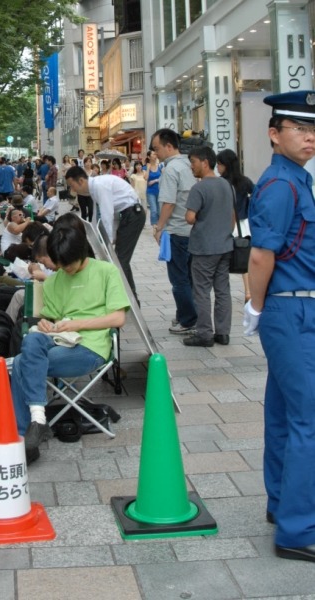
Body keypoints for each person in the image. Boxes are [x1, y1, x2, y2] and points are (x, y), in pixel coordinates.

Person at [244, 90, 315, 562]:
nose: (310, 138)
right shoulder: (281, 185)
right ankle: (298, 530)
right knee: (309, 419)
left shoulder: (296, 179)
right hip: (292, 310)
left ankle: (281, 505)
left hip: (296, 308)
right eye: (300, 129)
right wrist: (254, 308)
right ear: (274, 133)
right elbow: (260, 254)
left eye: (313, 130)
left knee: (285, 414)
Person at [10, 224, 130, 452]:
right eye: (60, 263)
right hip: (58, 339)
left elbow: (118, 318)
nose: (64, 269)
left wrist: (78, 324)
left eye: (68, 263)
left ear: (81, 252)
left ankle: (24, 433)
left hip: (89, 347)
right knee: (32, 340)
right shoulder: (55, 280)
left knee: (19, 362)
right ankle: (37, 421)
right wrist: (45, 323)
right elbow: (49, 318)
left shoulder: (106, 272)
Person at [66, 165, 145, 304]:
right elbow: (100, 216)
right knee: (120, 259)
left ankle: (131, 300)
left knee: (120, 260)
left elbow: (107, 214)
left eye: (73, 186)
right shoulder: (95, 187)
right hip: (126, 215)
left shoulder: (100, 186)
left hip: (133, 215)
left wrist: (106, 241)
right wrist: (102, 237)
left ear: (81, 181)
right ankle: (128, 297)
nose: (73, 190)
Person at [183, 146, 234, 347]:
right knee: (222, 290)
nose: (191, 167)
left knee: (202, 290)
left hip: (204, 247)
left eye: (193, 162)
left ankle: (204, 334)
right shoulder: (226, 185)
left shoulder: (199, 188)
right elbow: (231, 217)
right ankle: (223, 333)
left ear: (205, 162)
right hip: (225, 245)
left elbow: (190, 217)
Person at [150, 128, 198, 334]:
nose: (155, 153)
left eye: (157, 148)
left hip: (177, 230)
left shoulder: (170, 169)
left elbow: (168, 202)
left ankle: (188, 320)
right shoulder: (190, 164)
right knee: (190, 277)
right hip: (193, 230)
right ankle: (187, 315)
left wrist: (159, 227)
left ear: (169, 146)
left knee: (179, 279)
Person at [216, 148, 254, 302]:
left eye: (219, 164)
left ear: (225, 165)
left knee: (223, 259)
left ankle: (224, 292)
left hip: (226, 224)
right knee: (244, 256)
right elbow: (257, 196)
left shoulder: (221, 183)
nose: (217, 168)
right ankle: (248, 291)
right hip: (243, 224)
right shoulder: (245, 181)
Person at [143, 150, 162, 226]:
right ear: (149, 157)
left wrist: (155, 180)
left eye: (155, 154)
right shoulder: (145, 167)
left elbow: (163, 177)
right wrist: (148, 168)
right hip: (150, 192)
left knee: (159, 210)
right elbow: (146, 178)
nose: (155, 155)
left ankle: (159, 225)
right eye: (153, 154)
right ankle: (154, 225)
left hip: (160, 191)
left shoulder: (160, 166)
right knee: (153, 210)